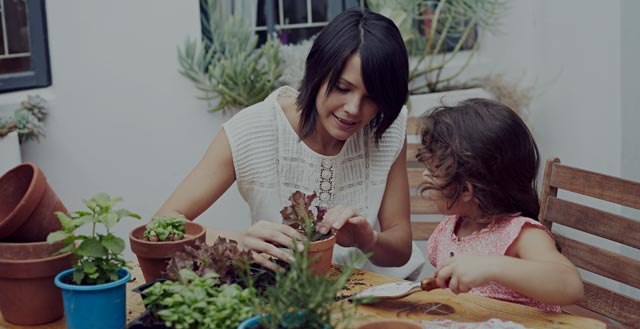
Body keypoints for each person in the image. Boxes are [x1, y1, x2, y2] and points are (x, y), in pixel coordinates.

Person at [155, 8, 425, 278]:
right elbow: (163, 222)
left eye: (372, 97)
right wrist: (238, 240)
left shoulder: (385, 128)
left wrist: (367, 239)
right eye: (343, 88)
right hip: (282, 294)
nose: (354, 109)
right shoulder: (252, 130)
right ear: (317, 72)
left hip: (371, 293)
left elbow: (400, 248)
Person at [418, 98, 584, 312]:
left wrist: (491, 266)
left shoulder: (520, 234)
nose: (424, 174)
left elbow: (570, 286)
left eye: (433, 170)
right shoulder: (450, 229)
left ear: (467, 189)